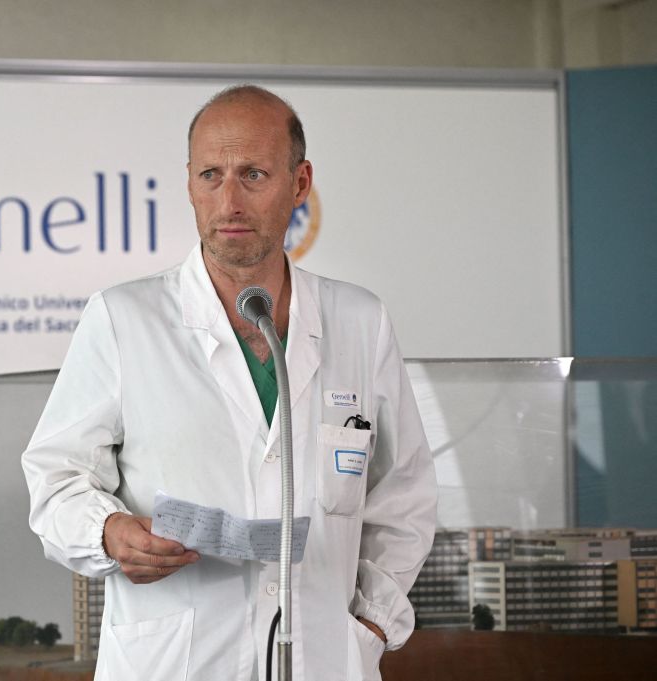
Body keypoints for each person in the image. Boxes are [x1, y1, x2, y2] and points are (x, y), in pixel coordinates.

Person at [22, 85, 437, 681]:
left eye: (254, 175)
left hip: (323, 660)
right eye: (210, 176)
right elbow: (55, 479)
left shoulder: (359, 321)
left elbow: (404, 494)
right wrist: (108, 532)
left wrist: (369, 626)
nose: (229, 201)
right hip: (177, 663)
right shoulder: (123, 318)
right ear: (190, 185)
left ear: (300, 183)